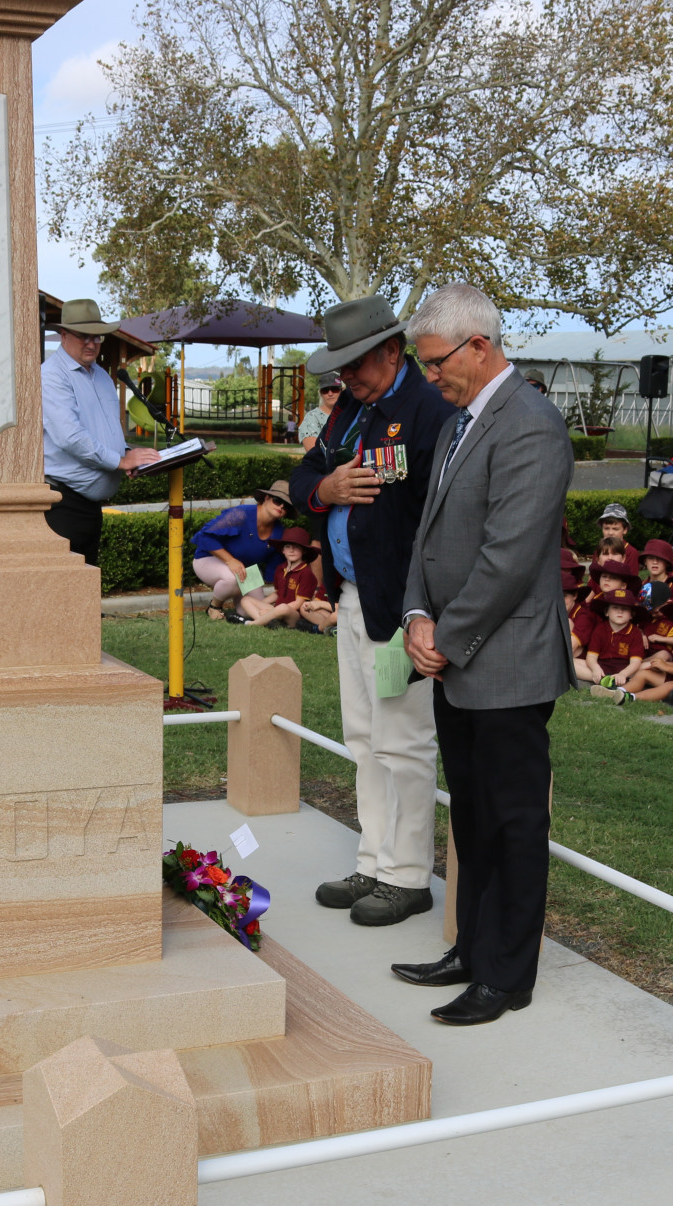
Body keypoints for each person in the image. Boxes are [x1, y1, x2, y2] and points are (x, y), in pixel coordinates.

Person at [396, 282, 574, 1026]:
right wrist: (414, 611)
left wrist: (445, 633)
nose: (429, 376)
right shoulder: (456, 423)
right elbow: (429, 533)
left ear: (480, 345)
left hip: (504, 662)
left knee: (511, 821)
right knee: (469, 816)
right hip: (458, 654)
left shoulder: (530, 425)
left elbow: (508, 558)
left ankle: (507, 974)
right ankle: (472, 948)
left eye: (437, 362)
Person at [290, 294, 456, 927]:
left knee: (404, 741)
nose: (345, 378)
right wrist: (325, 489)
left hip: (401, 607)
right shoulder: (351, 413)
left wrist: (423, 607)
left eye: (354, 363)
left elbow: (439, 516)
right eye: (339, 369)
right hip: (353, 597)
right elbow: (307, 475)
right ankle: (374, 858)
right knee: (363, 737)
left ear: (392, 351)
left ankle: (407, 874)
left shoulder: (428, 409)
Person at [40, 299, 162, 565]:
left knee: (85, 593)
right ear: (64, 335)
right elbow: (69, 437)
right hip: (62, 505)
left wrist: (129, 454)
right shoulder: (51, 376)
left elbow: (105, 429)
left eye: (97, 336)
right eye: (83, 336)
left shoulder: (102, 376)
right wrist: (118, 461)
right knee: (64, 593)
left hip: (89, 507)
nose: (91, 343)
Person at [191, 481, 291, 619]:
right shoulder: (241, 514)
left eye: (286, 506)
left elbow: (276, 564)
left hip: (246, 570)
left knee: (251, 611)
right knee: (232, 578)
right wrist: (230, 560)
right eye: (277, 500)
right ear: (266, 498)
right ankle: (214, 606)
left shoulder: (279, 531)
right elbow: (204, 536)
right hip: (208, 560)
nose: (281, 506)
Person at [238, 527, 324, 628]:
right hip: (277, 608)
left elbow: (298, 603)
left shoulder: (306, 573)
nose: (291, 550)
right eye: (287, 546)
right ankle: (269, 622)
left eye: (296, 547)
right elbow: (278, 593)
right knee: (246, 600)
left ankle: (252, 623)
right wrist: (260, 604)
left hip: (294, 614)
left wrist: (272, 611)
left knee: (283, 608)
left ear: (304, 550)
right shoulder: (280, 568)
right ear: (283, 550)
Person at [581, 587, 647, 695]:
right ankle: (606, 680)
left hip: (626, 668)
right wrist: (595, 669)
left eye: (625, 609)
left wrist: (624, 674)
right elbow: (591, 656)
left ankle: (613, 681)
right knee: (573, 663)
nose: (620, 611)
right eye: (615, 607)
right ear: (606, 612)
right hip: (602, 667)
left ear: (631, 615)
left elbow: (635, 662)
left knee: (648, 667)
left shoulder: (635, 633)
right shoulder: (600, 628)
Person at [298, 376, 343, 452]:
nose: (330, 393)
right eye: (325, 390)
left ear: (341, 391)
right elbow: (314, 453)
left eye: (334, 389)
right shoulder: (312, 417)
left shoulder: (352, 413)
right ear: (320, 393)